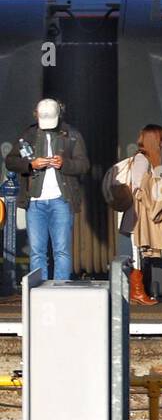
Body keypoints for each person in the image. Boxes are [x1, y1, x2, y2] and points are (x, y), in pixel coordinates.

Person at [4, 98, 89, 282]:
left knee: (62, 250)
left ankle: (60, 289)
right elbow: (10, 161)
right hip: (35, 201)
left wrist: (65, 163)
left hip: (61, 199)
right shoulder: (29, 134)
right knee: (37, 252)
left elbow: (84, 165)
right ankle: (39, 293)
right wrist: (30, 164)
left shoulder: (71, 134)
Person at [118, 124, 162, 306]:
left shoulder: (143, 159)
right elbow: (139, 188)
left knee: (140, 252)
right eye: (161, 139)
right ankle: (137, 292)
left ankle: (139, 291)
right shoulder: (142, 160)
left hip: (140, 211)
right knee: (136, 252)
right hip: (138, 213)